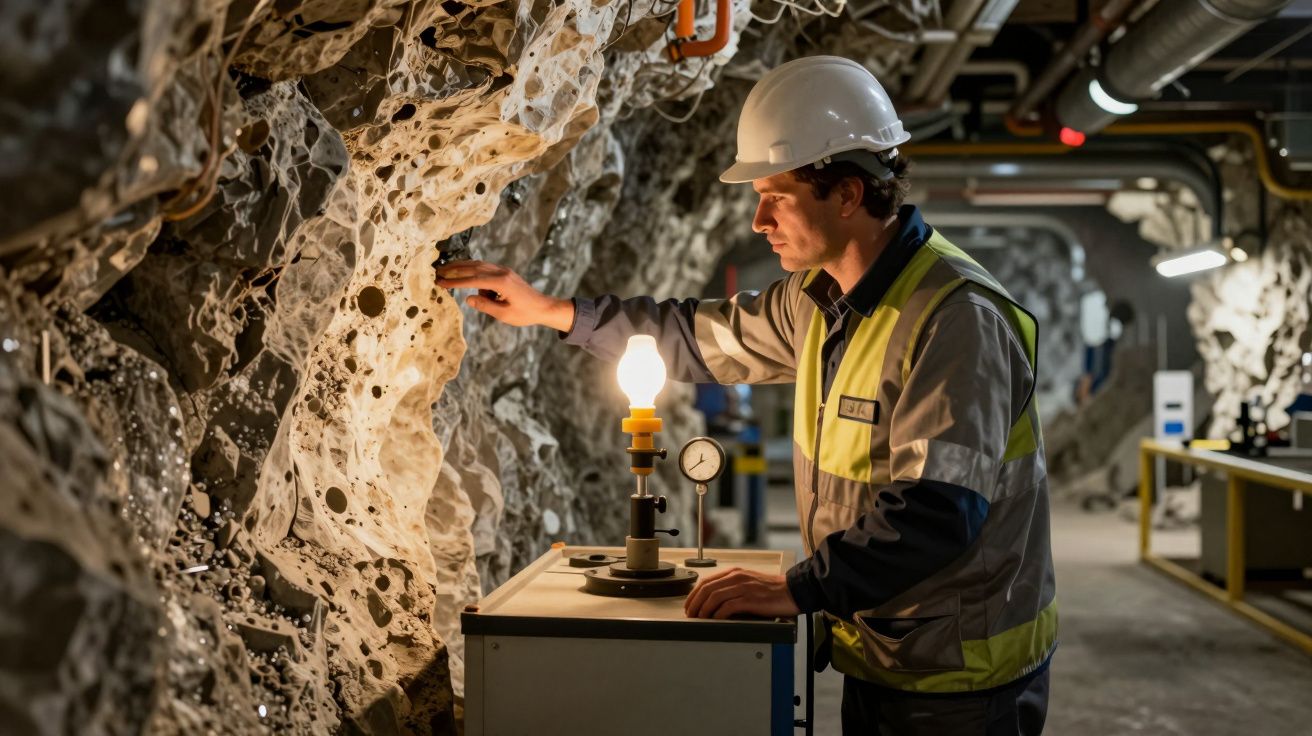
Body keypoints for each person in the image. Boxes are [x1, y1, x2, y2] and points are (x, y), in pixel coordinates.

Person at [436, 56, 1055, 735]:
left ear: (847, 194)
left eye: (776, 197)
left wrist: (795, 590)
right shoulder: (821, 300)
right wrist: (553, 312)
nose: (759, 219)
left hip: (963, 678)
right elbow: (696, 337)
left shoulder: (955, 318)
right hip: (886, 650)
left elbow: (939, 512)